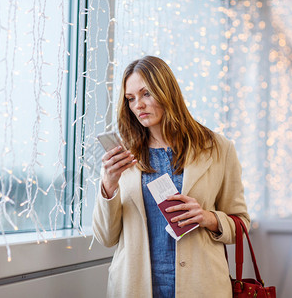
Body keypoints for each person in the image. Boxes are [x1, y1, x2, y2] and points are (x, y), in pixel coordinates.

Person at [92, 55, 250, 297]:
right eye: (130, 99)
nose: (138, 106)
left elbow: (241, 224)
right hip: (135, 286)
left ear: (168, 92)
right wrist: (108, 185)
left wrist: (207, 218)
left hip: (201, 285)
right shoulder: (124, 156)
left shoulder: (218, 148)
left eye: (146, 94)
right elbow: (106, 237)